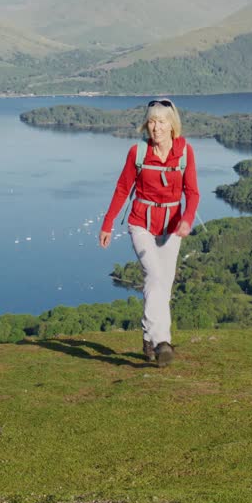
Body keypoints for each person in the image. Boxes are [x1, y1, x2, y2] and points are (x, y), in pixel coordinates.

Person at [98, 99, 199, 367]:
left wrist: (187, 220)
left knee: (162, 285)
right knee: (154, 275)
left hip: (173, 225)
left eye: (161, 122)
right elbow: (122, 189)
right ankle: (162, 342)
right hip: (141, 222)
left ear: (172, 125)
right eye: (151, 121)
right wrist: (107, 223)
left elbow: (192, 192)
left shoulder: (185, 152)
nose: (156, 128)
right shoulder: (138, 153)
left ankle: (148, 336)